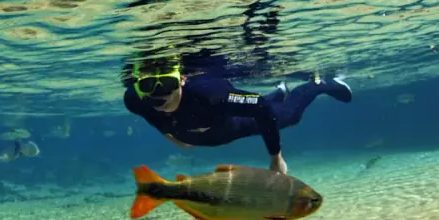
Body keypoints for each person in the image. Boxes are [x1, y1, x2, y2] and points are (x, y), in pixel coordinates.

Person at [123, 56, 352, 174]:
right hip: (199, 137)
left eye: (168, 84)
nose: (161, 96)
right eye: (149, 86)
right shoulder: (135, 99)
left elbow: (259, 107)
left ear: (182, 79)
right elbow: (147, 113)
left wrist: (275, 157)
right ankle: (279, 92)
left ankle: (318, 84)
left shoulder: (211, 95)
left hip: (233, 125)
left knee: (289, 117)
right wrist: (167, 132)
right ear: (138, 86)